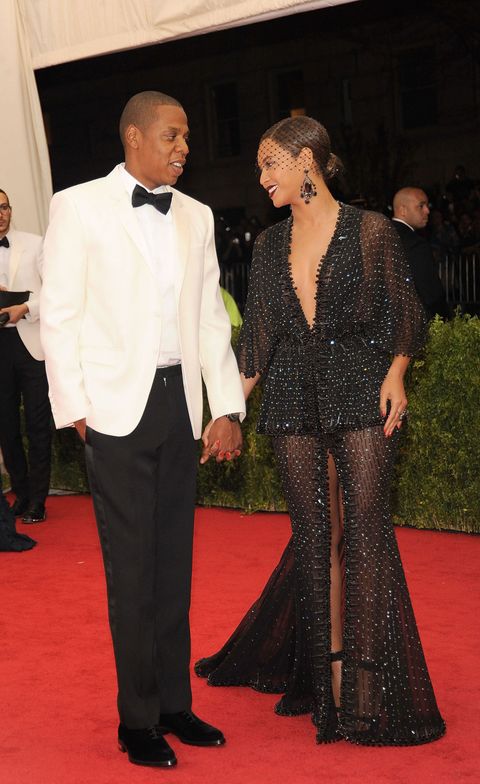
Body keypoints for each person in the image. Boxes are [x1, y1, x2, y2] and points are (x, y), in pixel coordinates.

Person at [197, 116, 446, 746]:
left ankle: (366, 683)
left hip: (362, 392)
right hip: (290, 402)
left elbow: (405, 314)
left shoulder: (371, 233)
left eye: (270, 163)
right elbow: (257, 341)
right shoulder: (268, 246)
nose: (262, 178)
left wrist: (396, 374)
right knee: (315, 538)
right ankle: (329, 680)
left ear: (306, 160)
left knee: (363, 529)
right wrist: (227, 410)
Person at [40, 91, 245, 769]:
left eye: (187, 137)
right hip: (114, 412)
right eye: (172, 135)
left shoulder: (197, 215)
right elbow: (59, 311)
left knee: (172, 567)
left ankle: (173, 704)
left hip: (179, 404)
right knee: (132, 574)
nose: (184, 147)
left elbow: (213, 318)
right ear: (133, 135)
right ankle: (136, 721)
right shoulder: (77, 206)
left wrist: (225, 407)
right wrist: (75, 407)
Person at [0, 188, 51, 524]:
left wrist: (26, 307)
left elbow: (56, 291)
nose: (1, 213)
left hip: (30, 341)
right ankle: (21, 492)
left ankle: (38, 499)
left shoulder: (34, 243)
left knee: (37, 424)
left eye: (4, 206)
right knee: (5, 425)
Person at [392, 187, 449, 319]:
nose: (427, 211)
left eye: (427, 206)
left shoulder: (382, 235)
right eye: (421, 206)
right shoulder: (415, 243)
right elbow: (431, 293)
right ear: (403, 210)